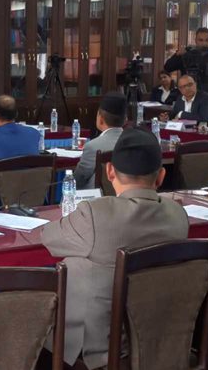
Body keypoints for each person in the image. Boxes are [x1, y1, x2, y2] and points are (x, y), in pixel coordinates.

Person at [43, 128, 188, 368]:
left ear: (110, 171)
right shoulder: (178, 215)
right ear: (161, 176)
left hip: (103, 348)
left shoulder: (95, 213)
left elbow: (49, 238)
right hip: (156, 339)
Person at [73, 92, 126, 189]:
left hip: (97, 197)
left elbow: (77, 180)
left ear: (100, 119)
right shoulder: (134, 143)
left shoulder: (93, 146)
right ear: (125, 120)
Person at [164, 27, 208, 107]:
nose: (204, 43)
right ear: (196, 40)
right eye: (201, 40)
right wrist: (177, 55)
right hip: (187, 97)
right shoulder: (186, 56)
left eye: (207, 40)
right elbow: (167, 68)